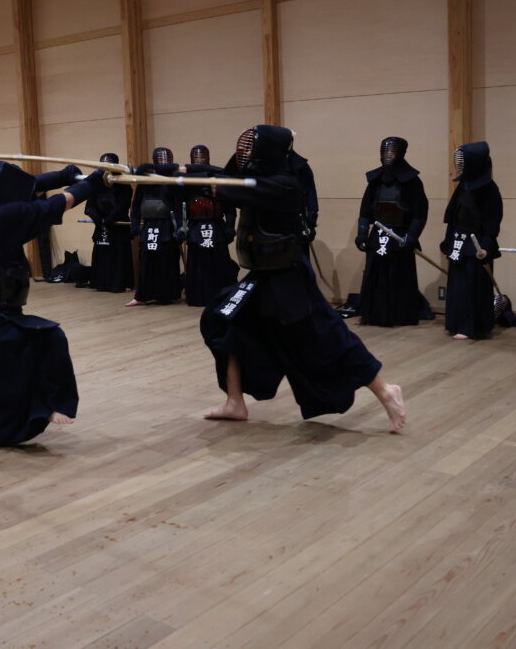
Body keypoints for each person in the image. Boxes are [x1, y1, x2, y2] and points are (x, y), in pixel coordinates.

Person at [198, 126, 406, 432]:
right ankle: (234, 402)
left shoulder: (284, 185)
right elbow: (226, 180)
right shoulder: (258, 179)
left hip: (290, 278)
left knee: (329, 337)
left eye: (251, 147)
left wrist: (207, 181)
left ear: (267, 151)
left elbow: (230, 189)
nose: (245, 154)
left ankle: (386, 391)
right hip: (262, 277)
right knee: (223, 321)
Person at [0, 162, 103, 447]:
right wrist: (92, 183)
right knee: (49, 340)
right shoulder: (3, 216)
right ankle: (43, 406)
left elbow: (31, 184)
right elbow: (57, 204)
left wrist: (63, 176)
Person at [355, 136, 429, 326]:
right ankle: (372, 314)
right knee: (374, 273)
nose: (388, 155)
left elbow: (420, 214)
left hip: (400, 235)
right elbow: (365, 211)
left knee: (398, 275)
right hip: (378, 233)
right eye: (385, 151)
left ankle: (399, 315)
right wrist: (362, 233)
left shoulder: (412, 182)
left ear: (401, 153)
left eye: (392, 151)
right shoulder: (375, 180)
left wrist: (412, 236)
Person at [440, 141, 503, 340]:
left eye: (464, 161)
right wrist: (448, 240)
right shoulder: (463, 185)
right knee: (457, 285)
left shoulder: (490, 189)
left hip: (477, 244)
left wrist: (486, 246)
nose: (460, 164)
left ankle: (472, 327)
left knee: (473, 285)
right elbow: (453, 216)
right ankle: (456, 322)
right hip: (459, 241)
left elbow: (492, 221)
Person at [178, 145, 238, 307]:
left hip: (215, 224)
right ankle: (197, 296)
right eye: (196, 157)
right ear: (191, 159)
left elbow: (229, 206)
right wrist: (180, 227)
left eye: (202, 156)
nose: (199, 159)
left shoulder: (218, 176)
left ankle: (221, 295)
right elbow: (180, 206)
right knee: (197, 264)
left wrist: (230, 226)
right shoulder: (186, 180)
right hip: (195, 225)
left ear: (208, 157)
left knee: (219, 262)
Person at [125, 147, 182, 306]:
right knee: (146, 261)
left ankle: (166, 295)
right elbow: (136, 206)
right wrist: (134, 224)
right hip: (149, 225)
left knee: (166, 261)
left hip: (166, 226)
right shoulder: (145, 180)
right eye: (160, 159)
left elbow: (179, 207)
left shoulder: (173, 181)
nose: (163, 162)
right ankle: (141, 296)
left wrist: (180, 228)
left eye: (166, 160)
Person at [85, 153, 133, 293]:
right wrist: (98, 219)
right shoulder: (96, 182)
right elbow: (89, 207)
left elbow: (124, 205)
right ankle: (101, 282)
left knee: (119, 254)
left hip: (118, 224)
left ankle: (121, 282)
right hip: (101, 225)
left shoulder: (123, 182)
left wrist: (110, 219)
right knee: (102, 254)